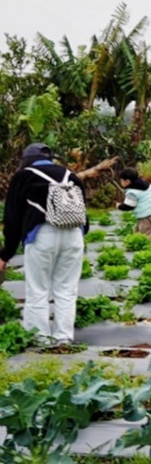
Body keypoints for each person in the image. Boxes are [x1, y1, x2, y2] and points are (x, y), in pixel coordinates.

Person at [1, 144, 88, 346]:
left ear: (27, 159)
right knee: (66, 289)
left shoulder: (24, 176)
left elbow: (12, 219)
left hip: (42, 235)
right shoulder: (71, 176)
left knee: (38, 289)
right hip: (74, 235)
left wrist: (5, 255)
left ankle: (39, 338)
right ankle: (63, 338)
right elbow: (84, 214)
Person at [117, 167, 151, 241]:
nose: (120, 182)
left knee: (148, 234)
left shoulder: (132, 192)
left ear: (127, 181)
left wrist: (120, 206)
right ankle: (139, 243)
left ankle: (150, 248)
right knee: (139, 231)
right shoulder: (145, 184)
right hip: (150, 212)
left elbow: (130, 205)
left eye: (121, 180)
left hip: (145, 214)